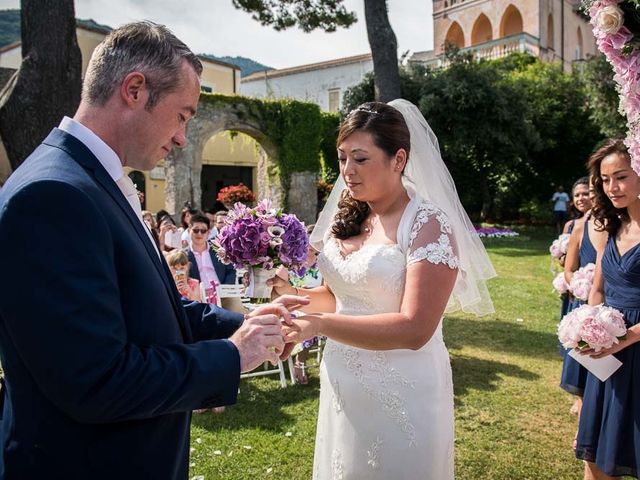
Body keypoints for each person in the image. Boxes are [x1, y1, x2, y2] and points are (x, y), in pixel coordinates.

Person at [0, 21, 306, 479]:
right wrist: (234, 356)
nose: (184, 136)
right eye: (182, 114)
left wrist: (248, 325)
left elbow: (152, 307)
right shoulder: (52, 195)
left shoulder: (90, 179)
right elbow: (97, 380)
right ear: (135, 90)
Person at [273, 100, 495, 478]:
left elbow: (415, 329)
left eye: (360, 159)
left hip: (404, 391)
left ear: (399, 159)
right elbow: (336, 298)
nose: (347, 171)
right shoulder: (348, 214)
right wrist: (282, 291)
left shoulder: (428, 225)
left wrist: (319, 325)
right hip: (343, 383)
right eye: (342, 158)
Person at [575, 138, 640, 480]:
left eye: (622, 176)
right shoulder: (614, 226)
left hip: (635, 352)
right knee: (596, 459)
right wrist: (589, 329)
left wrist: (624, 339)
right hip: (608, 358)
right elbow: (598, 288)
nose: (611, 187)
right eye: (605, 178)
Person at [560, 177, 603, 436]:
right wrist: (580, 285)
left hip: (611, 306)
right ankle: (584, 426)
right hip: (582, 302)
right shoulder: (578, 226)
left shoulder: (620, 225)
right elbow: (568, 269)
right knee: (584, 365)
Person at [185, 213, 236, 298]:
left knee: (239, 308)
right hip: (199, 298)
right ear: (189, 230)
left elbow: (231, 270)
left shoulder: (219, 249)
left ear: (208, 232)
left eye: (203, 231)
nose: (199, 234)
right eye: (196, 230)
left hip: (223, 295)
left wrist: (225, 290)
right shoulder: (185, 256)